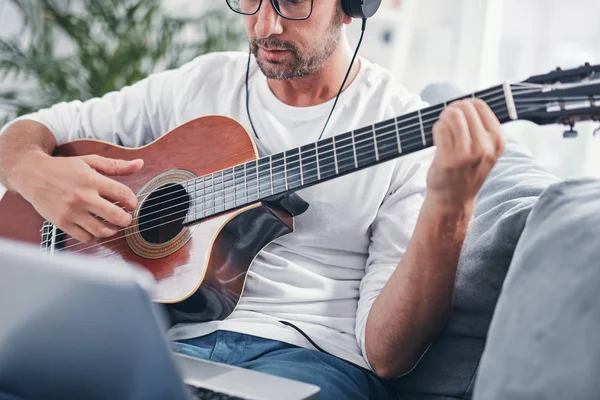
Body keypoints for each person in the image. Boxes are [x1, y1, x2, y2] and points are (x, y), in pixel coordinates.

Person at [0, 0, 505, 398]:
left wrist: (450, 207)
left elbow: (388, 356)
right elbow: (31, 132)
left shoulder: (404, 132)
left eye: (292, 3)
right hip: (164, 340)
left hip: (309, 360)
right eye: (250, 0)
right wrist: (33, 171)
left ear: (353, 5)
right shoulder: (204, 82)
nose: (264, 26)